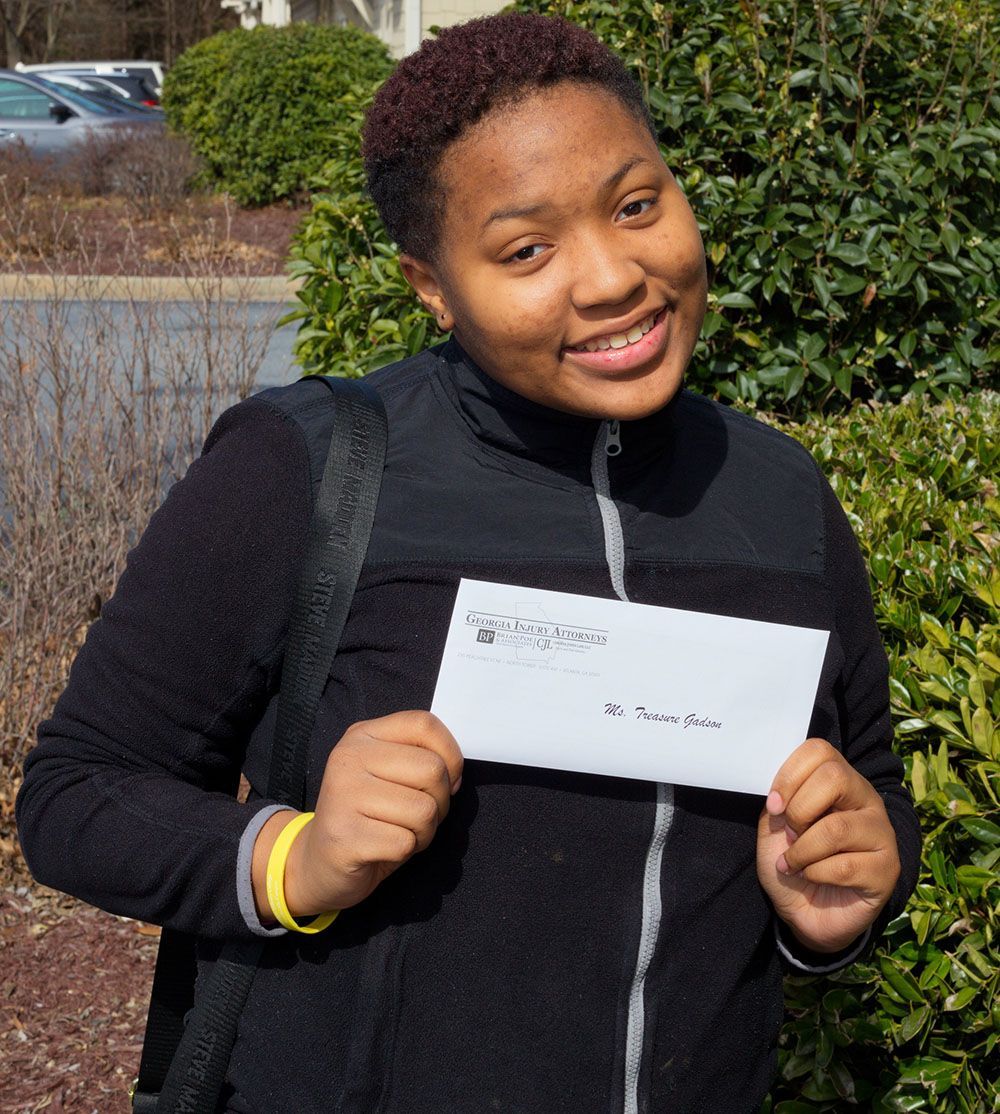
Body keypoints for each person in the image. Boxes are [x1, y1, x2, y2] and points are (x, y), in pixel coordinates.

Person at [17, 13, 920, 1114]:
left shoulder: (781, 499)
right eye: (525, 249)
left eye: (637, 204)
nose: (611, 278)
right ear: (431, 284)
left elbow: (862, 790)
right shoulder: (309, 468)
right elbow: (74, 794)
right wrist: (290, 861)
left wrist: (834, 903)